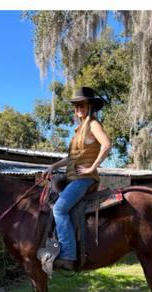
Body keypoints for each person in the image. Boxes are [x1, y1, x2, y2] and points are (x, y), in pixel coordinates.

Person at [43, 86, 111, 270]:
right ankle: (52, 248)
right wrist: (53, 166)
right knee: (52, 203)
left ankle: (69, 254)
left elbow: (106, 145)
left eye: (82, 105)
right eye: (76, 105)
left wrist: (91, 168)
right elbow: (70, 158)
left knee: (59, 210)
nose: (79, 108)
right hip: (73, 179)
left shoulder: (93, 125)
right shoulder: (78, 131)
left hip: (84, 180)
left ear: (90, 106)